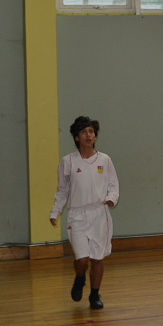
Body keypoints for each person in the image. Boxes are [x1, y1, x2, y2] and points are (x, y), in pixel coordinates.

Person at [50, 116, 120, 310]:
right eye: (84, 132)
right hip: (77, 216)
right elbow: (62, 190)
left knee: (97, 258)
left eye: (91, 132)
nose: (88, 135)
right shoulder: (68, 162)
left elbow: (114, 185)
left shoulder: (105, 160)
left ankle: (95, 295)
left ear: (95, 136)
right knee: (82, 260)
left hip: (99, 214)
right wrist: (55, 212)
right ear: (76, 138)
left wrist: (111, 198)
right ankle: (80, 277)